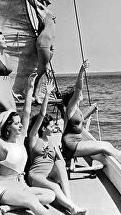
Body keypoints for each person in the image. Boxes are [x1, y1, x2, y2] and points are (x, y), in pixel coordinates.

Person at [0, 73, 55, 215]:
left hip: (21, 186)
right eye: (16, 123)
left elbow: (27, 112)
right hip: (5, 189)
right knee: (32, 201)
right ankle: (15, 204)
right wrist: (2, 115)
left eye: (20, 123)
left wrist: (30, 87)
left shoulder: (20, 140)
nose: (20, 126)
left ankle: (11, 207)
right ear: (8, 127)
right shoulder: (3, 146)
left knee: (50, 195)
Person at [61, 63, 121, 166]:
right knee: (105, 146)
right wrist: (81, 72)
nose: (81, 94)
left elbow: (78, 120)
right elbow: (78, 89)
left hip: (75, 144)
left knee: (106, 148)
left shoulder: (76, 110)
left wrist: (91, 110)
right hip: (71, 146)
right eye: (78, 94)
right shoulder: (70, 108)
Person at [27, 80, 86, 215]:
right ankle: (71, 207)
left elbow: (61, 161)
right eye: (51, 126)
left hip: (50, 175)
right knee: (54, 186)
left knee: (59, 162)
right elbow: (42, 115)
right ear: (43, 128)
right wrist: (47, 94)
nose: (54, 127)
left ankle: (70, 201)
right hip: (36, 176)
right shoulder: (34, 138)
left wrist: (70, 161)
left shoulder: (52, 142)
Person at [24, 0, 56, 102]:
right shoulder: (41, 9)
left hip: (49, 44)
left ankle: (35, 93)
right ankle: (32, 92)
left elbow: (41, 27)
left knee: (44, 70)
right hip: (44, 42)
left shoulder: (47, 11)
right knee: (43, 68)